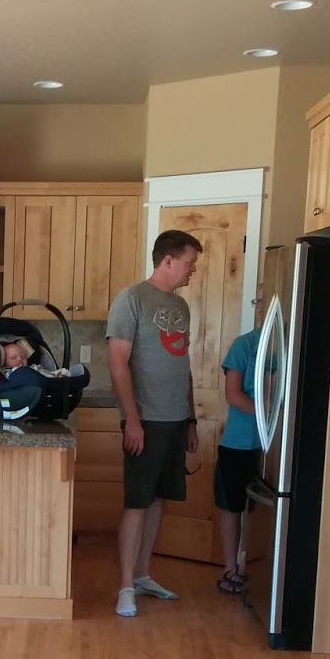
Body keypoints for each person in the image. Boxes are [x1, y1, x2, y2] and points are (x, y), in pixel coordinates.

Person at [106, 229, 203, 619]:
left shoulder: (180, 306)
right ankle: (125, 586)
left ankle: (143, 575)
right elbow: (117, 362)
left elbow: (183, 364)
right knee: (138, 501)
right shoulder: (131, 299)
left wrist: (191, 419)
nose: (193, 270)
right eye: (190, 263)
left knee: (159, 499)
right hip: (145, 420)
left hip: (176, 419)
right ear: (168, 260)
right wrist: (132, 420)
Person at [214, 325, 262, 595]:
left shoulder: (291, 345)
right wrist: (268, 417)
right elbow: (232, 394)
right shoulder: (245, 345)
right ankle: (230, 569)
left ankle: (252, 566)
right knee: (232, 507)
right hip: (238, 442)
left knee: (259, 510)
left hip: (272, 447)